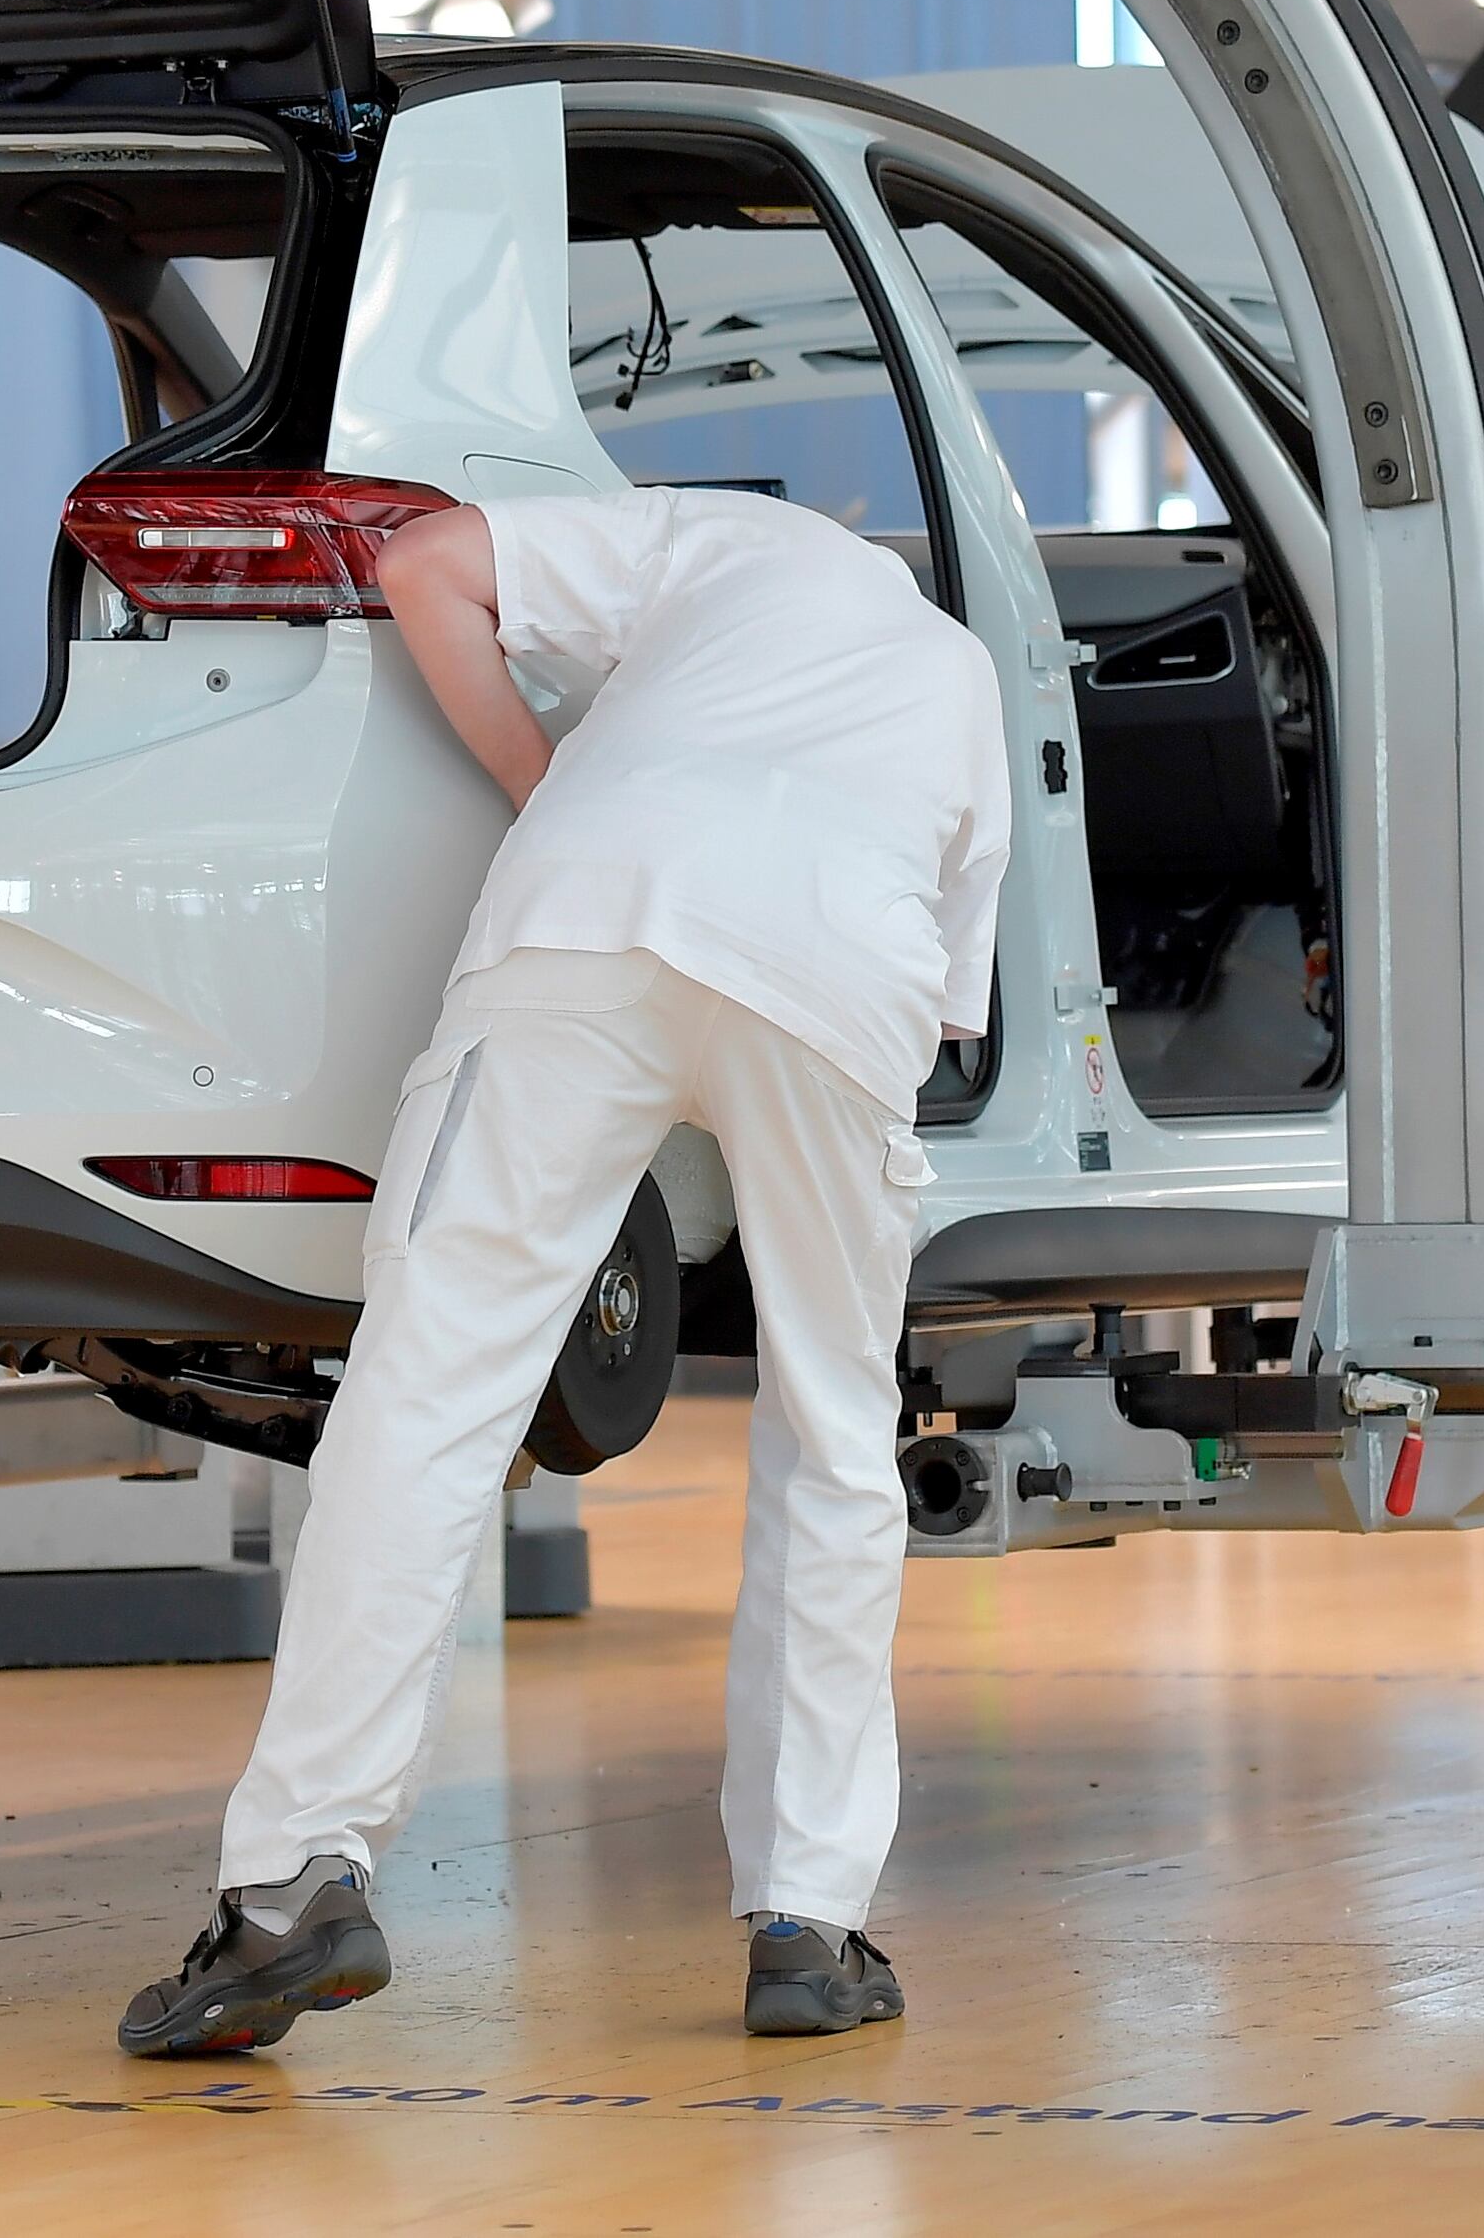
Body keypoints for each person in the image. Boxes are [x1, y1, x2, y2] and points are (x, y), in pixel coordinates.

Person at [117, 484, 1009, 2057]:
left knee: (429, 1393)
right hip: (841, 969)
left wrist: (548, 784)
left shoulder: (728, 541)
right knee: (832, 1436)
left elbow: (423, 564)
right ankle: (806, 1923)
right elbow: (948, 1005)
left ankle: (292, 1881)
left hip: (589, 909)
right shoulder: (963, 676)